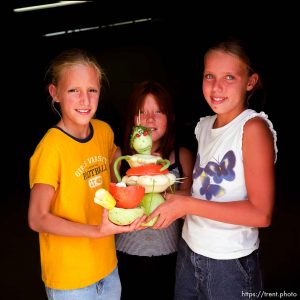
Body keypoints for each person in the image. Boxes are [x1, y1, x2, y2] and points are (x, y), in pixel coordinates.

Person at [148, 37, 278, 299]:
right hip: (189, 249)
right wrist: (167, 199)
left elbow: (261, 214)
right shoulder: (204, 127)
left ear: (250, 82)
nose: (216, 87)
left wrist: (186, 206)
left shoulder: (252, 129)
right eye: (209, 76)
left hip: (229, 263)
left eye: (229, 77)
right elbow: (207, 195)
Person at [28, 48, 145, 300]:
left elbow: (115, 162)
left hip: (107, 267)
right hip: (70, 279)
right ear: (55, 93)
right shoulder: (51, 147)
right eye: (74, 91)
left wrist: (137, 176)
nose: (85, 99)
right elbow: (37, 218)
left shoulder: (103, 132)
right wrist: (97, 231)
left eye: (92, 90)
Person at [115, 80, 195, 300]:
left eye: (158, 111)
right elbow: (113, 203)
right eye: (142, 112)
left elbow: (191, 204)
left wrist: (160, 181)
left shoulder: (182, 157)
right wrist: (137, 176)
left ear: (170, 118)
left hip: (170, 253)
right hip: (126, 252)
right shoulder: (119, 156)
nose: (150, 119)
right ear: (132, 118)